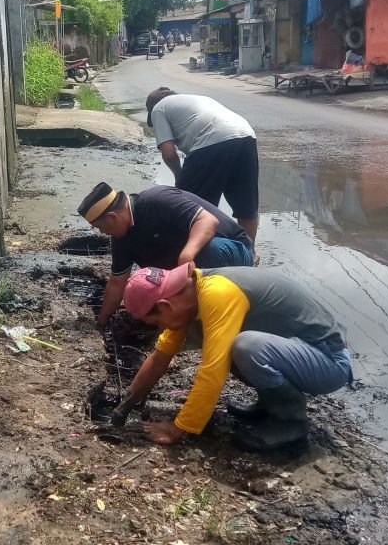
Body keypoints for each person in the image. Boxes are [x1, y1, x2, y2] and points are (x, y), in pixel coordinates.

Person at [108, 263, 353, 451]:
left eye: (156, 321)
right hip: (300, 354)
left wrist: (177, 430)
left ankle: (291, 422)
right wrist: (125, 406)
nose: (160, 327)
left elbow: (213, 370)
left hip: (329, 361)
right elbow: (160, 357)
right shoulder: (189, 295)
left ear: (164, 305)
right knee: (237, 347)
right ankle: (269, 407)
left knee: (244, 346)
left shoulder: (217, 293)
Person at [77, 182, 253, 330]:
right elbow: (117, 282)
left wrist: (187, 254)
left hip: (233, 251)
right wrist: (101, 322)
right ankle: (185, 311)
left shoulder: (156, 200)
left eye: (101, 227)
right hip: (187, 271)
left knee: (208, 249)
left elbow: (207, 221)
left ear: (112, 216)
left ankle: (211, 315)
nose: (103, 232)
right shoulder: (120, 238)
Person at [145, 87, 260, 249]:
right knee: (246, 205)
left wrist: (179, 178)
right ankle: (249, 253)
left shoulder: (158, 108)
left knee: (189, 206)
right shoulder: (193, 99)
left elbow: (169, 154)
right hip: (246, 134)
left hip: (211, 139)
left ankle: (194, 253)